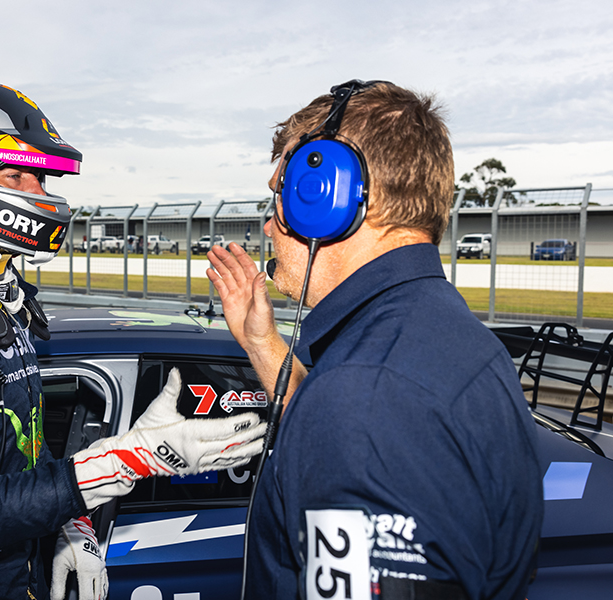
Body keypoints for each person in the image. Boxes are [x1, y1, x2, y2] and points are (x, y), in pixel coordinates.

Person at [0, 80, 265, 600]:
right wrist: (129, 459)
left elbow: (15, 450)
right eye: (17, 174)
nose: (39, 195)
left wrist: (69, 520)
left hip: (10, 571)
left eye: (42, 178)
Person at [206, 81, 543, 599]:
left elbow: (356, 422)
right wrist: (261, 341)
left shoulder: (366, 395)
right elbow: (342, 435)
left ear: (330, 198)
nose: (271, 226)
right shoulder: (444, 336)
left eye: (283, 195)